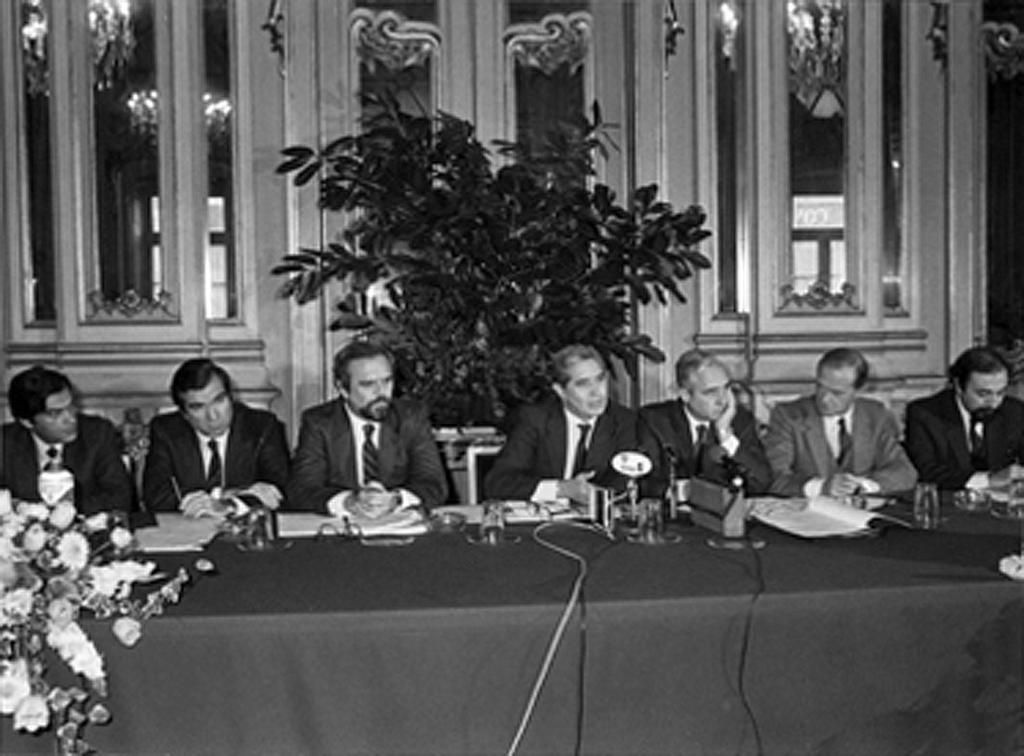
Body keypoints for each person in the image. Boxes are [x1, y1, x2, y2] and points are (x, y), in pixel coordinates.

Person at [286, 341, 448, 514]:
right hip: (343, 531)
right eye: (368, 384)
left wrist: (396, 499)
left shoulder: (411, 417)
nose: (381, 393)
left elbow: (434, 484)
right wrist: (348, 502)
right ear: (343, 389)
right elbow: (302, 490)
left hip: (398, 525)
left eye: (387, 381)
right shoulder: (319, 423)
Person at [484, 344, 641, 504]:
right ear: (560, 391)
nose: (596, 392)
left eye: (600, 379)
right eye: (583, 384)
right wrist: (562, 489)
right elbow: (498, 483)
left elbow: (630, 483)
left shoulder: (624, 421)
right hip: (544, 523)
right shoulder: (536, 419)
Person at [142, 359, 291, 517]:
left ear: (231, 398)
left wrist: (227, 505)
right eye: (198, 407)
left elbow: (278, 490)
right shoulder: (166, 430)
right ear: (184, 414)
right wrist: (227, 495)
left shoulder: (262, 427)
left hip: (246, 530)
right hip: (189, 530)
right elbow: (156, 497)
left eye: (219, 400)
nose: (213, 415)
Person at [764, 348, 917, 497]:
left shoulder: (876, 414)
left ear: (858, 390)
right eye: (820, 387)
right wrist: (822, 487)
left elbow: (905, 472)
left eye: (837, 393)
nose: (824, 399)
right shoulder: (788, 416)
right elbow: (773, 478)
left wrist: (864, 485)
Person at [0, 365, 133, 514]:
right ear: (27, 422)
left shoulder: (97, 433)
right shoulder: (5, 443)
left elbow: (120, 498)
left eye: (71, 406)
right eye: (55, 413)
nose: (70, 418)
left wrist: (63, 512)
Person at [640, 349, 771, 496]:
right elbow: (642, 483)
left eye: (726, 388)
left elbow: (762, 482)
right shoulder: (655, 421)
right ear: (685, 395)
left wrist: (726, 437)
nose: (722, 400)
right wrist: (686, 491)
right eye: (711, 392)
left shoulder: (740, 420)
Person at [904, 346, 1024, 490]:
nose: (994, 402)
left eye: (1000, 393)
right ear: (959, 386)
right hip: (950, 505)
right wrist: (987, 480)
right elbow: (926, 472)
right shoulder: (925, 414)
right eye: (983, 394)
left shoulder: (1014, 411)